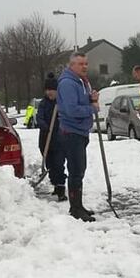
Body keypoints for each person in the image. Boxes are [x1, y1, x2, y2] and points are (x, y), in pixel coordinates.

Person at [57, 52, 99, 222]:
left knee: (79, 170)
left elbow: (79, 101)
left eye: (86, 64)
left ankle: (78, 205)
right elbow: (71, 109)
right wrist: (92, 108)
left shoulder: (81, 82)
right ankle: (75, 209)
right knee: (76, 171)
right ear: (72, 65)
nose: (85, 67)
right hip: (71, 132)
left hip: (80, 132)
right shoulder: (68, 83)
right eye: (81, 64)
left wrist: (90, 98)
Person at [36, 72, 67, 201]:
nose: (50, 93)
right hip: (45, 139)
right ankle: (55, 184)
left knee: (58, 164)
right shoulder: (43, 103)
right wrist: (45, 126)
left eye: (52, 90)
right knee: (50, 164)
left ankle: (61, 189)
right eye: (48, 90)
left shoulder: (62, 103)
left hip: (59, 139)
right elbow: (39, 117)